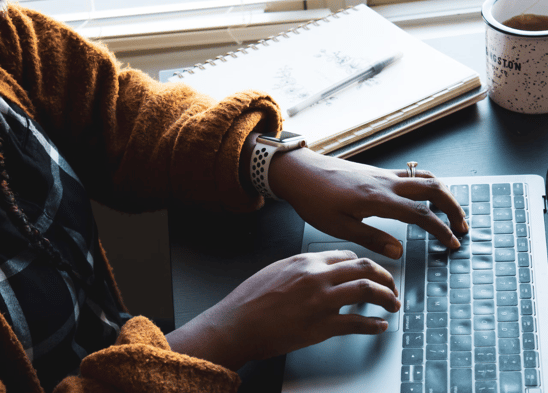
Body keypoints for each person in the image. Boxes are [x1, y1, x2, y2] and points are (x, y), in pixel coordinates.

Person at [0, 2, 468, 392]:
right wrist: (225, 336)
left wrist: (280, 162)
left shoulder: (7, 38)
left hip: (125, 341)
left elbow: (117, 110)